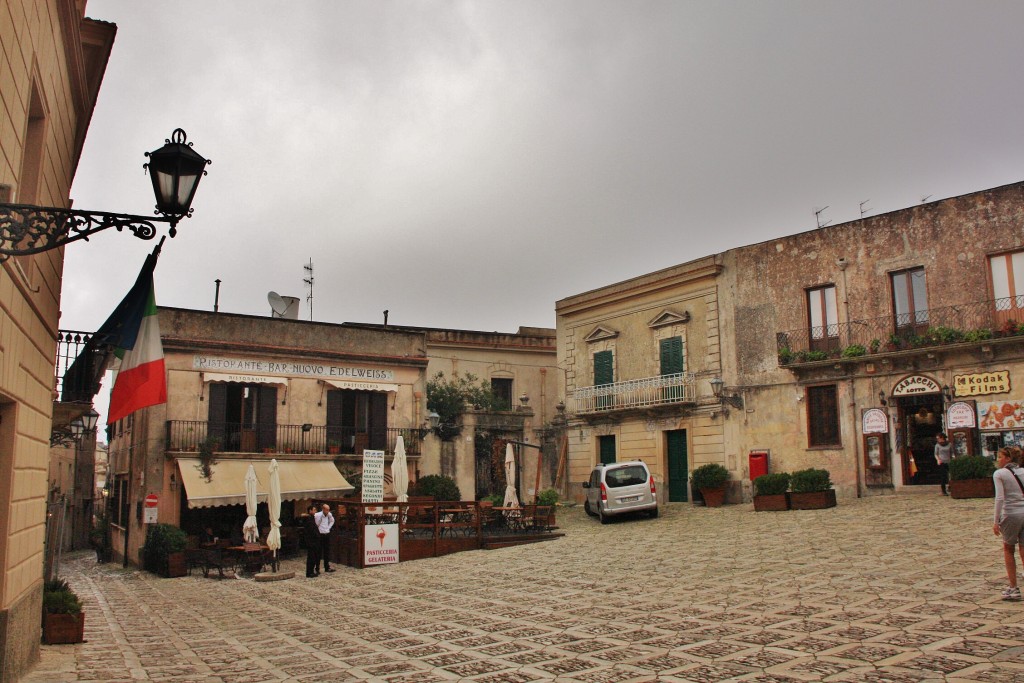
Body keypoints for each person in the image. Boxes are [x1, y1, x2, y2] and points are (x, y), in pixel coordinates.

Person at [993, 447, 1024, 601]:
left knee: (1008, 548)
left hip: (1011, 513)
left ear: (1007, 458)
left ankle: (1013, 587)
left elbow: (999, 498)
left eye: (1000, 456)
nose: (998, 459)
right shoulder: (1023, 471)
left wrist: (995, 520)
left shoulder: (1000, 474)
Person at [314, 502, 336, 573]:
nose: (328, 511)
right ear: (323, 509)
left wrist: (328, 528)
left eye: (328, 510)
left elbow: (332, 521)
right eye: (326, 510)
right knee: (319, 552)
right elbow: (315, 524)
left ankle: (327, 567)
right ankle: (317, 568)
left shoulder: (329, 514)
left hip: (326, 534)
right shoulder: (317, 515)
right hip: (320, 535)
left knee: (327, 551)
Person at [303, 504, 321, 578]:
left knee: (313, 557)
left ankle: (311, 571)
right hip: (311, 542)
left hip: (313, 541)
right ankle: (309, 572)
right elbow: (311, 531)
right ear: (310, 511)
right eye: (314, 510)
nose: (315, 511)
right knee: (311, 557)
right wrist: (317, 536)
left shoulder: (312, 518)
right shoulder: (309, 519)